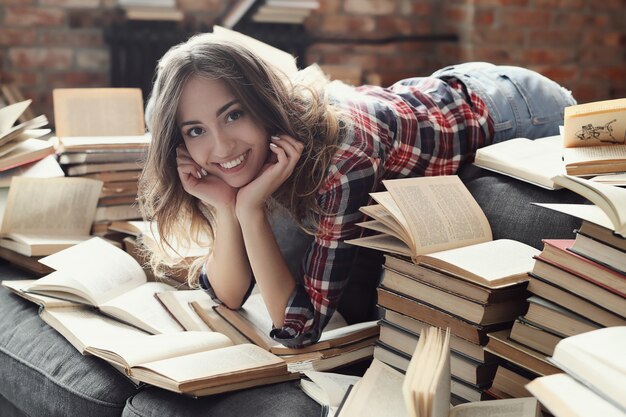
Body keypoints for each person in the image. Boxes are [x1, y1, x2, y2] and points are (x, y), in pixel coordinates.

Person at [138, 32, 576, 348]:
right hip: (438, 95)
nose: (221, 147)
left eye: (233, 115)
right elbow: (229, 294)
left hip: (518, 109)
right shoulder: (258, 154)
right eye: (195, 130)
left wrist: (251, 210)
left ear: (264, 105)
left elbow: (298, 328)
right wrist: (226, 204)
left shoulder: (343, 160)